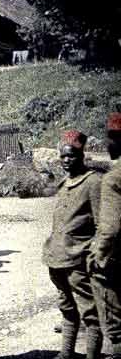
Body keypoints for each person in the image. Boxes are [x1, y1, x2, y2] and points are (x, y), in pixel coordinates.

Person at [43, 130, 102, 359]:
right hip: (56, 258)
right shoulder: (65, 183)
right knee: (66, 308)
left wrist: (93, 255)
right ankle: (66, 353)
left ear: (82, 155)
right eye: (63, 156)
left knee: (90, 311)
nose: (67, 161)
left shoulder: (93, 182)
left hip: (79, 259)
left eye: (72, 156)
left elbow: (101, 224)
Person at [89, 113, 121, 357]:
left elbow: (110, 228)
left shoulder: (112, 179)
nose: (106, 144)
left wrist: (98, 254)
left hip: (117, 257)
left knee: (115, 321)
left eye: (110, 138)